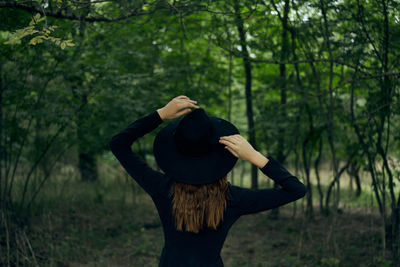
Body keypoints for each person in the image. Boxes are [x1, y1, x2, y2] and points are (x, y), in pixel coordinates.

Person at [109, 95, 307, 267]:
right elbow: (296, 190)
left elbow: (118, 144)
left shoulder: (162, 188)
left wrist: (160, 114)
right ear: (221, 154)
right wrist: (255, 156)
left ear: (175, 153)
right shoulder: (233, 199)